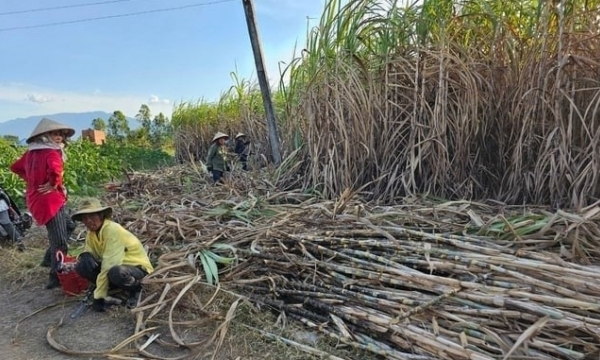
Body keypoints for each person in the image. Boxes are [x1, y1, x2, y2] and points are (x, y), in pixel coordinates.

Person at [10, 118, 77, 289]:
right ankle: (55, 276)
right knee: (60, 241)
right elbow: (55, 171)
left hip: (35, 199)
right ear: (45, 135)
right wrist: (53, 183)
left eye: (61, 134)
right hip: (50, 201)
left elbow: (15, 167)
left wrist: (31, 180)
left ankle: (48, 259)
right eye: (55, 134)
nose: (59, 137)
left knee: (69, 225)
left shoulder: (31, 152)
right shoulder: (51, 153)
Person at [71, 198, 154, 311]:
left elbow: (109, 264)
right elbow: (89, 250)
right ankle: (112, 287)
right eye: (85, 218)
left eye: (92, 216)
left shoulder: (112, 230)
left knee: (116, 272)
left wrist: (98, 297)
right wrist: (85, 255)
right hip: (116, 267)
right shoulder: (92, 234)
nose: (89, 221)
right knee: (82, 266)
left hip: (136, 269)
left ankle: (136, 289)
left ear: (101, 215)